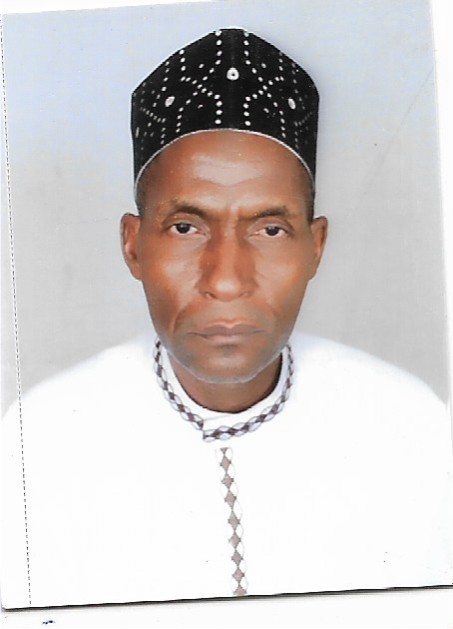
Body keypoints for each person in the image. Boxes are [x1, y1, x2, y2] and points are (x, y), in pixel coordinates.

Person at [1, 28, 452, 609]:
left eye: (270, 230)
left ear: (316, 247)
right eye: (186, 227)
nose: (228, 279)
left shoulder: (411, 425)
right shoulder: (39, 442)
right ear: (133, 245)